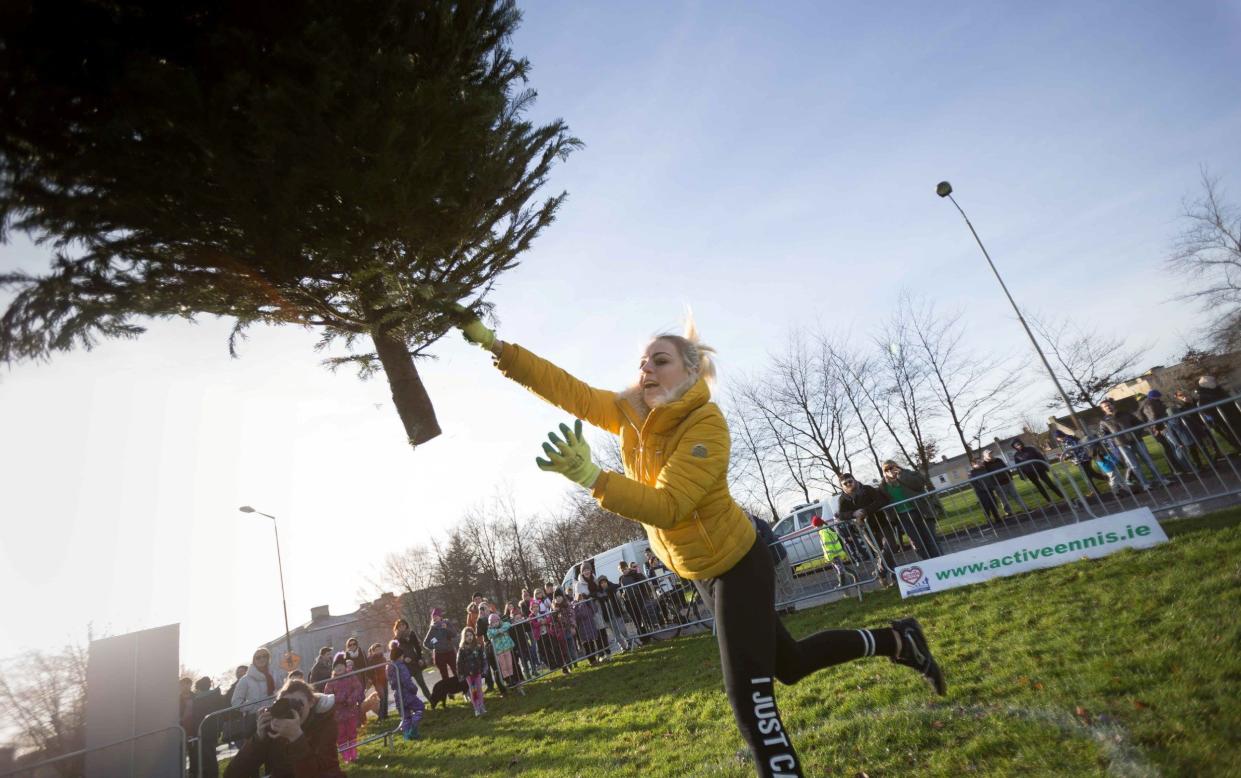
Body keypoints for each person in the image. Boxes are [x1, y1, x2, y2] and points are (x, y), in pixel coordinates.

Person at [452, 310, 945, 777]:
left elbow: (670, 505)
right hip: (701, 570)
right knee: (789, 665)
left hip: (738, 564)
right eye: (642, 362)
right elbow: (570, 391)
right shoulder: (628, 412)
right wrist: (496, 345)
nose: (646, 368)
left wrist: (593, 477)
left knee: (749, 700)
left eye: (659, 360)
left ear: (691, 372)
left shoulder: (706, 424)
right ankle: (897, 640)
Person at [223, 678, 344, 778]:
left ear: (311, 702)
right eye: (286, 704)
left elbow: (325, 772)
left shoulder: (324, 725)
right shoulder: (275, 727)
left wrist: (296, 738)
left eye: (297, 703)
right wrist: (258, 739)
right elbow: (232, 774)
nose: (291, 711)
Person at [834, 473, 896, 580]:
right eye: (845, 483)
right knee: (879, 552)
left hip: (881, 523)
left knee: (890, 546)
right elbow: (840, 515)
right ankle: (894, 576)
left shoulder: (867, 489)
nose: (849, 484)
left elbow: (881, 501)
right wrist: (853, 514)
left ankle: (880, 572)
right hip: (865, 528)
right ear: (841, 486)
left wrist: (865, 511)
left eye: (850, 481)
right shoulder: (842, 499)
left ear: (854, 480)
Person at [1098, 398, 1168, 488]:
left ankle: (1161, 480)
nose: (1108, 407)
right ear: (1103, 409)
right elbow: (1102, 434)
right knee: (1134, 465)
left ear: (1113, 405)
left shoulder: (1125, 414)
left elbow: (1138, 423)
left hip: (1137, 441)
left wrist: (1136, 434)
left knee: (1149, 461)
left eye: (1109, 405)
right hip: (1122, 445)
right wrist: (1112, 440)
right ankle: (1145, 484)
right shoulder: (1104, 421)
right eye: (1105, 406)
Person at [879, 460, 942, 559]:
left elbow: (919, 484)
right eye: (886, 469)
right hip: (903, 517)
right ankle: (929, 565)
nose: (889, 470)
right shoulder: (883, 485)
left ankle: (941, 562)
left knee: (931, 540)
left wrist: (901, 475)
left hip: (920, 512)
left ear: (897, 466)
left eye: (891, 467)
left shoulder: (908, 473)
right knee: (917, 544)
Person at [1138, 390, 1194, 473]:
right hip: (1162, 428)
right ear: (1155, 396)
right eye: (1158, 396)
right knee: (1177, 446)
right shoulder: (1150, 404)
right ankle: (1186, 468)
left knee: (1173, 448)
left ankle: (1181, 468)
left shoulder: (1151, 403)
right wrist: (1157, 428)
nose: (1160, 398)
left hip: (1162, 427)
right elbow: (1153, 417)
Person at [322, 653, 363, 763]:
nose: (339, 668)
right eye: (336, 667)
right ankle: (346, 756)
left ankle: (354, 754)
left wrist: (350, 699)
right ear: (333, 669)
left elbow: (358, 688)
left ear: (345, 667)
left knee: (352, 732)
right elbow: (328, 695)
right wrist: (339, 699)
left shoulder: (351, 677)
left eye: (341, 666)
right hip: (338, 713)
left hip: (351, 710)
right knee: (341, 735)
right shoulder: (330, 682)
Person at [232, 648, 288, 722]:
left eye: (264, 656)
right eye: (258, 657)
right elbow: (236, 702)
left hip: (275, 714)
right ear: (254, 660)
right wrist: (254, 708)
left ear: (268, 658)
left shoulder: (275, 674)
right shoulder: (245, 680)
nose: (262, 659)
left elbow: (282, 692)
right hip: (256, 718)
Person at [751, 515, 795, 605]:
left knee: (786, 582)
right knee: (774, 586)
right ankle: (780, 607)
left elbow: (768, 537)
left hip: (779, 557)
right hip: (765, 562)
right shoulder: (745, 530)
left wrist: (756, 546)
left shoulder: (761, 524)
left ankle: (791, 606)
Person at [188, 677, 228, 778]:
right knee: (211, 755)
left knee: (206, 756)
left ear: (199, 687)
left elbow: (196, 717)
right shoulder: (216, 696)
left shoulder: (198, 699)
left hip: (202, 730)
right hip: (214, 729)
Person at [385, 641, 424, 740]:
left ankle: (406, 736)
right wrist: (413, 689)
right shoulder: (401, 666)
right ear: (400, 656)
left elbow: (392, 683)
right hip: (407, 694)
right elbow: (406, 680)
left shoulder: (389, 667)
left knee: (405, 716)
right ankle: (413, 729)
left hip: (398, 695)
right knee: (420, 707)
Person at [1171, 389, 1222, 463]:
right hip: (1193, 425)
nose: (1184, 396)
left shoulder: (1193, 401)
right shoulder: (1178, 405)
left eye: (1184, 394)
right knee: (1200, 443)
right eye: (1181, 395)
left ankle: (1217, 452)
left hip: (1202, 422)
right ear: (1176, 397)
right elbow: (1185, 414)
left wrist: (1191, 402)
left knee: (1210, 438)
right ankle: (1207, 459)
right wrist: (1186, 404)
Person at [1052, 430, 1107, 498]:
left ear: (1058, 437)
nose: (1057, 440)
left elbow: (1073, 450)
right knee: (1092, 474)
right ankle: (1108, 480)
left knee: (1087, 477)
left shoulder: (1067, 440)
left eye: (1057, 438)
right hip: (1083, 458)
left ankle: (1096, 492)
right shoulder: (1069, 438)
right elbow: (1072, 450)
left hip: (1082, 459)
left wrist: (1064, 456)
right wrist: (1064, 455)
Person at [1194, 375, 1241, 451]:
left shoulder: (1218, 391)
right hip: (1224, 421)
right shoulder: (1204, 397)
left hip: (1234, 415)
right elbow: (1207, 411)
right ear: (1207, 384)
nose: (1215, 382)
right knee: (1234, 436)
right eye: (1213, 381)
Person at [1009, 439, 1065, 504]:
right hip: (1030, 473)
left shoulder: (1030, 449)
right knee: (1039, 487)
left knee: (1050, 483)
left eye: (1019, 444)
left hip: (1039, 469)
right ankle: (1050, 501)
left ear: (1021, 443)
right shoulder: (1016, 455)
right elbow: (1018, 466)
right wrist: (1022, 475)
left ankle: (1062, 496)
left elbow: (1040, 457)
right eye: (1016, 445)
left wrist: (1045, 466)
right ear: (1014, 447)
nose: (1018, 446)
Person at [391, 619, 432, 700]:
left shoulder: (411, 634)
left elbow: (417, 647)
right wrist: (404, 659)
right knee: (409, 687)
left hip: (415, 661)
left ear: (406, 625)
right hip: (404, 666)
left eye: (404, 625)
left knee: (422, 683)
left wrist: (420, 658)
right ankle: (414, 705)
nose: (402, 627)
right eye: (400, 626)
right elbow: (394, 656)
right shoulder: (396, 638)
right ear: (397, 628)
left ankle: (432, 701)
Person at [594, 575, 631, 654]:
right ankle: (623, 647)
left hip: (616, 613)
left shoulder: (611, 588)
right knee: (615, 633)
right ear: (599, 584)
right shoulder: (598, 593)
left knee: (622, 629)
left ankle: (629, 641)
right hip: (608, 616)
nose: (604, 584)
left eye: (605, 582)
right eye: (602, 583)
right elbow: (592, 594)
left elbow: (617, 585)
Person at [980, 449, 1024, 515]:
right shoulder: (984, 464)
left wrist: (1010, 477)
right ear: (984, 455)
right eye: (989, 454)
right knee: (1004, 499)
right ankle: (1008, 512)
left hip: (1007, 480)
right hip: (997, 484)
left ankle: (1025, 508)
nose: (991, 455)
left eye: (991, 453)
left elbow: (1005, 468)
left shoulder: (998, 460)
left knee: (1016, 495)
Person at [456, 627, 487, 717]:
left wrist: (484, 668)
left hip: (477, 672)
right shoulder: (462, 650)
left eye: (471, 635)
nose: (469, 637)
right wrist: (461, 674)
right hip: (469, 674)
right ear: (464, 637)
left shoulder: (478, 646)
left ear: (473, 635)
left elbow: (483, 658)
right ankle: (476, 708)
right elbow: (459, 663)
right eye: (467, 636)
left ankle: (482, 706)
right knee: (473, 691)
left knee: (480, 690)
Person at [486, 612, 521, 691]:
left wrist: (501, 629)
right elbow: (489, 635)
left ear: (499, 620)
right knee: (503, 666)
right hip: (499, 651)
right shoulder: (490, 630)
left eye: (496, 621)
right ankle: (508, 680)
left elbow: (508, 625)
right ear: (490, 624)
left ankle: (512, 678)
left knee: (509, 664)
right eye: (493, 622)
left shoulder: (503, 624)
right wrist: (498, 631)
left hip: (507, 648)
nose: (495, 623)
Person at [424, 608, 458, 682]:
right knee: (444, 675)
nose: (434, 618)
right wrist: (434, 645)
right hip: (439, 655)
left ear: (440, 617)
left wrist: (446, 629)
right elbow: (425, 643)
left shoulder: (447, 624)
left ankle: (463, 688)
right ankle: (449, 692)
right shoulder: (432, 628)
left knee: (456, 671)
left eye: (436, 616)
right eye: (433, 616)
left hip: (450, 652)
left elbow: (454, 634)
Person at [967, 458, 1004, 527]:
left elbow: (990, 478)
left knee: (993, 504)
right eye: (978, 462)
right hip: (981, 492)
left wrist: (991, 487)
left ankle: (997, 517)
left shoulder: (984, 469)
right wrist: (983, 489)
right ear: (973, 464)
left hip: (989, 489)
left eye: (980, 461)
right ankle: (989, 520)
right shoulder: (971, 472)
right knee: (986, 506)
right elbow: (974, 483)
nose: (981, 462)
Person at [365, 642, 390, 720]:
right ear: (373, 651)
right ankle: (381, 715)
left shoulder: (383, 658)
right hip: (377, 681)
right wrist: (371, 679)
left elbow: (386, 667)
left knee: (385, 696)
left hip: (384, 680)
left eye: (380, 649)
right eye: (377, 649)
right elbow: (368, 671)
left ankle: (385, 714)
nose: (379, 651)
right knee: (382, 696)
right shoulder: (371, 659)